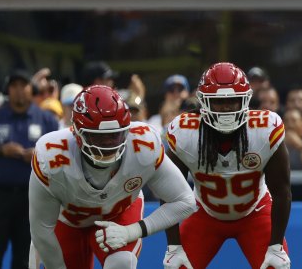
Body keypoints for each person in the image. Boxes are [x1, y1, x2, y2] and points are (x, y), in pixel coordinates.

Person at [27, 86, 197, 269]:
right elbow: (41, 230)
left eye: (114, 136)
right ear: (76, 132)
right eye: (98, 137)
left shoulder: (143, 145)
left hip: (119, 215)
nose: (108, 144)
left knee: (122, 262)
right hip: (68, 221)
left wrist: (132, 231)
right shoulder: (52, 156)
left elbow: (185, 201)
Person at [162, 62, 292, 269]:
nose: (226, 108)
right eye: (218, 102)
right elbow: (168, 193)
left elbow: (282, 191)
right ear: (204, 103)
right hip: (204, 213)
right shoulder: (186, 133)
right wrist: (173, 247)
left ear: (246, 101)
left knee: (276, 266)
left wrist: (276, 246)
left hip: (255, 211)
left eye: (233, 101)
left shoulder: (263, 129)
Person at [0, 69, 62, 269]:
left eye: (24, 85)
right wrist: (2, 150)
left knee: (25, 255)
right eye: (14, 86)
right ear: (8, 89)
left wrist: (39, 155)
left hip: (33, 198)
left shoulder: (46, 119)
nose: (19, 90)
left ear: (32, 89)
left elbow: (62, 155)